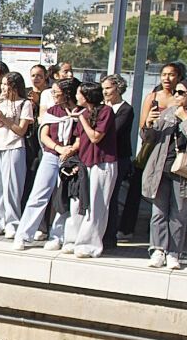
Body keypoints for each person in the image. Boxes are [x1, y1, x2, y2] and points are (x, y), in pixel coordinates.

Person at [12, 75, 79, 251]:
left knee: (62, 197)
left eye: (57, 92)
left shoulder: (80, 112)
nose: (54, 95)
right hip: (51, 154)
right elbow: (44, 134)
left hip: (71, 158)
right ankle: (24, 235)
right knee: (39, 194)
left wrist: (70, 150)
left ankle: (58, 236)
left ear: (67, 93)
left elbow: (82, 137)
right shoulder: (53, 111)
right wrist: (58, 148)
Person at [141, 77, 187, 270]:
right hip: (161, 169)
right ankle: (157, 249)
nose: (177, 96)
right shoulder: (169, 113)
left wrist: (186, 120)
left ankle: (174, 252)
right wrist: (148, 124)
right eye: (176, 92)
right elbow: (149, 138)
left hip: (185, 172)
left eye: (182, 93)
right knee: (158, 213)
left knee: (178, 215)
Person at [62, 82, 118, 259]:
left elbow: (95, 137)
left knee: (96, 205)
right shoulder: (83, 113)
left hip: (103, 163)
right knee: (78, 203)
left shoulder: (106, 111)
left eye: (79, 93)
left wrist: (82, 119)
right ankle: (72, 240)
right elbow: (80, 140)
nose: (76, 96)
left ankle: (89, 245)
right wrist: (70, 153)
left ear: (87, 96)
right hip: (84, 163)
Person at [0, 70, 33, 237]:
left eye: (7, 85)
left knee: (11, 187)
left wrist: (6, 120)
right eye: (2, 84)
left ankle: (12, 222)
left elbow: (21, 130)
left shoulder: (25, 104)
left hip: (14, 146)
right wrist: (0, 122)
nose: (3, 88)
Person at [100, 74, 135, 253]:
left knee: (112, 196)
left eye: (108, 88)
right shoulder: (101, 107)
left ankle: (109, 237)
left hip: (118, 158)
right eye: (103, 88)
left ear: (118, 88)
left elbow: (114, 131)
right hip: (101, 157)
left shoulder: (125, 109)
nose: (105, 92)